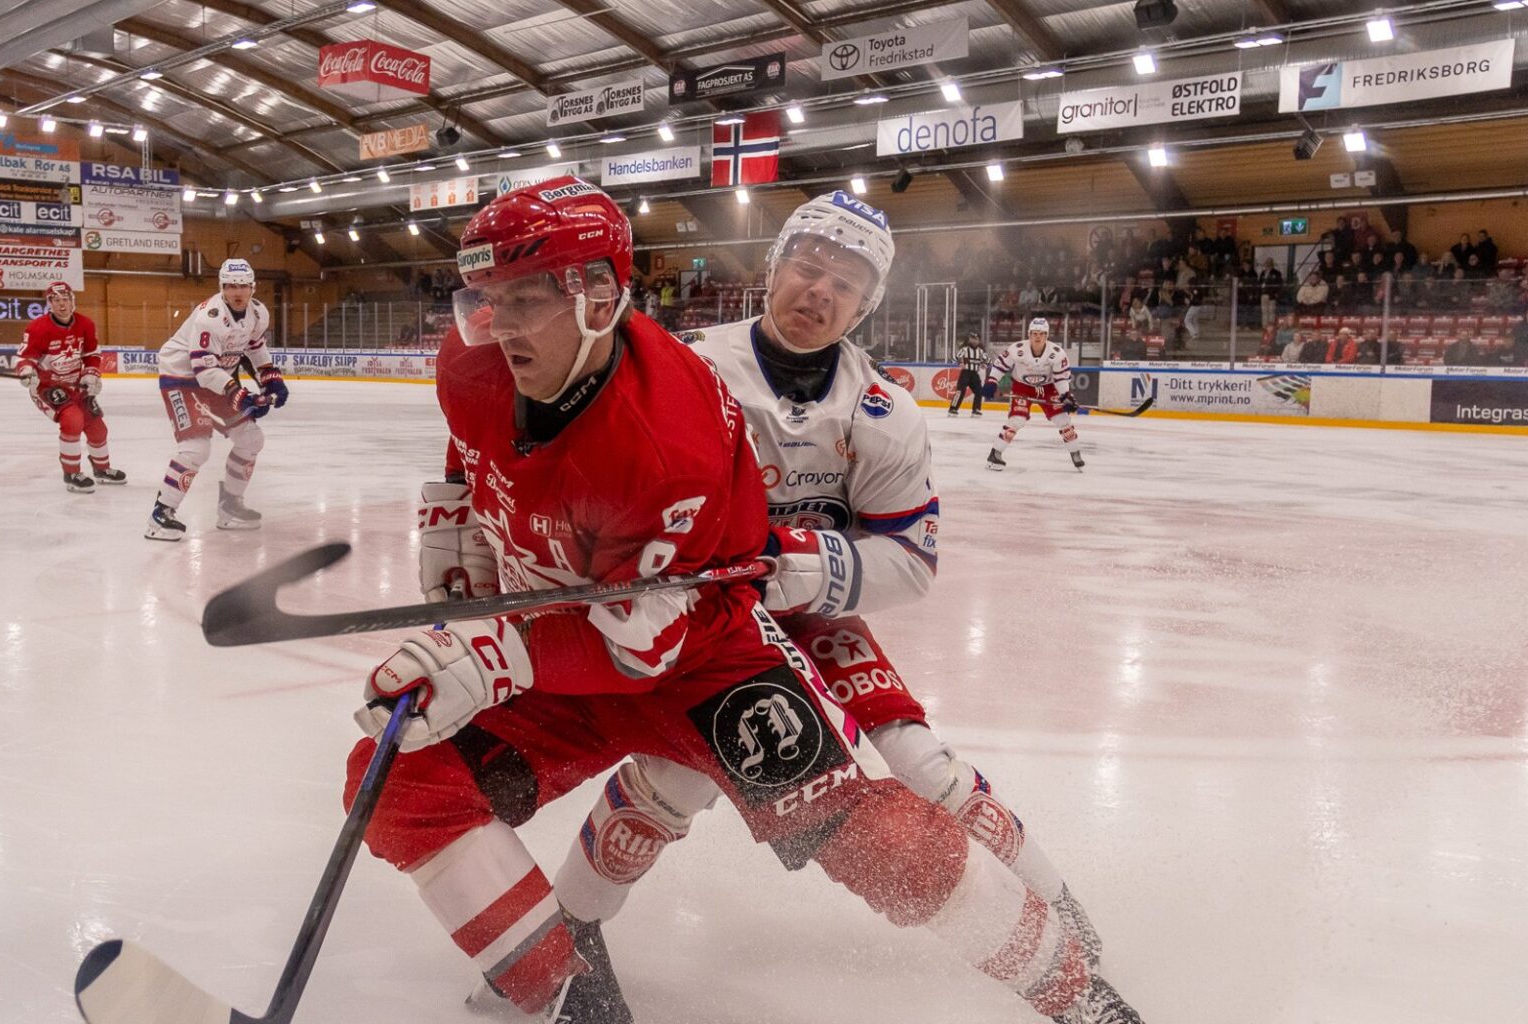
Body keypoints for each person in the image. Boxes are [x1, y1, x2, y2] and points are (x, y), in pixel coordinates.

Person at [351, 178, 1137, 1024]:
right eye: (486, 300)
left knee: (898, 787)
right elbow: (478, 444)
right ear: (776, 266)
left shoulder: (700, 427)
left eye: (527, 298)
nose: (498, 327)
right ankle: (561, 984)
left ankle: (1079, 987)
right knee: (395, 774)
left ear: (598, 301)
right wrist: (455, 535)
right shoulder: (488, 358)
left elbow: (651, 642)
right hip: (593, 621)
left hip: (710, 646)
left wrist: (795, 566)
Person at [542, 190, 1104, 984]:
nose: (820, 291)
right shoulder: (685, 364)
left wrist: (788, 564)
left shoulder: (885, 411)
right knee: (684, 770)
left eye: (846, 283)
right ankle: (570, 924)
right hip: (702, 621)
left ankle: (1057, 902)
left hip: (803, 609)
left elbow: (911, 558)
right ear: (775, 269)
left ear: (865, 305)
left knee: (922, 761)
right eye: (808, 267)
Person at [146, 258, 288, 540]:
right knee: (196, 447)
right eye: (231, 285)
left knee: (251, 439)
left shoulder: (258, 314)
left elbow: (255, 348)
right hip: (182, 378)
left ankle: (231, 507)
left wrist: (271, 378)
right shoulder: (209, 317)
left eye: (243, 286)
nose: (238, 292)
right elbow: (203, 371)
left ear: (253, 288)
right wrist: (240, 395)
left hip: (216, 378)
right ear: (221, 287)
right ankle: (160, 515)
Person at [15, 282, 121, 493]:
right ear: (49, 304)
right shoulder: (38, 327)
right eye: (55, 300)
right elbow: (25, 357)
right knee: (72, 419)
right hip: (47, 386)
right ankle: (71, 473)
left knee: (97, 427)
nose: (61, 304)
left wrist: (91, 374)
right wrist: (27, 371)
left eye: (65, 299)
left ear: (72, 301)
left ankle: (102, 469)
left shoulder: (86, 324)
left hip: (76, 384)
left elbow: (91, 354)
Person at [983, 317, 1084, 471]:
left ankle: (1075, 452)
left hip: (1048, 388)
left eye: (1042, 334)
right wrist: (992, 381)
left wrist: (1066, 396)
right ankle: (995, 454)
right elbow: (1000, 366)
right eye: (1035, 333)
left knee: (1062, 419)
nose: (1038, 336)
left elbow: (1061, 377)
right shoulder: (1017, 349)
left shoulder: (1057, 353)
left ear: (1047, 336)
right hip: (1022, 386)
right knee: (1017, 420)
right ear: (1029, 334)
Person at [952, 331, 988, 416]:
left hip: (974, 374)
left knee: (979, 391)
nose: (973, 341)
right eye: (972, 339)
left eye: (975, 339)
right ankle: (953, 409)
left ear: (979, 340)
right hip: (965, 373)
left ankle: (976, 409)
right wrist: (960, 363)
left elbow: (986, 360)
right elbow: (954, 358)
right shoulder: (964, 349)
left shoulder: (981, 351)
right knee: (960, 391)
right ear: (969, 339)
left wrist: (984, 364)